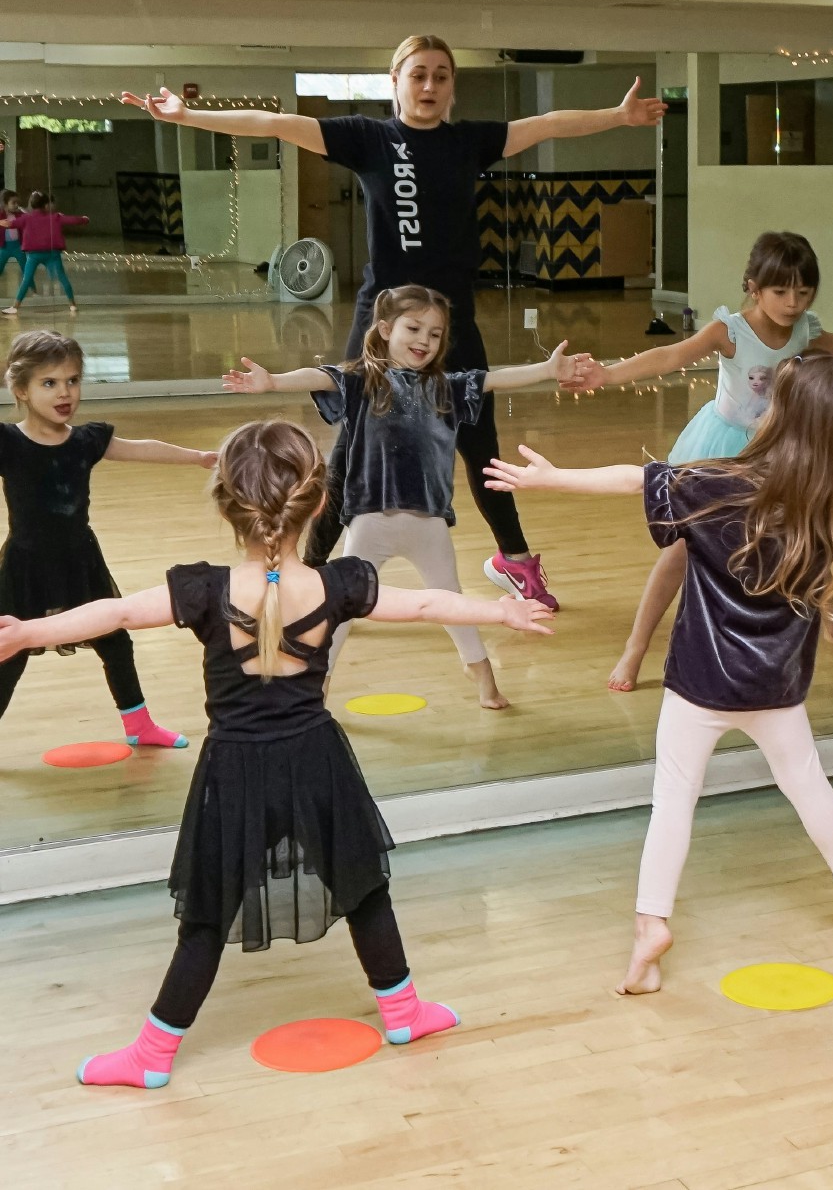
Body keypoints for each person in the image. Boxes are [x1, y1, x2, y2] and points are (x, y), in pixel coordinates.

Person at [0, 419, 553, 1089]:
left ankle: (152, 1055)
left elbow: (113, 613)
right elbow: (426, 601)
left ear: (225, 500)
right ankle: (403, 1011)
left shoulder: (201, 590)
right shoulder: (339, 583)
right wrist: (503, 613)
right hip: (317, 762)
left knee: (206, 917)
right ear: (319, 503)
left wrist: (30, 629)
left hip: (235, 771)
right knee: (365, 890)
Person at [486, 352, 833, 994]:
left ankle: (651, 927)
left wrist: (553, 481)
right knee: (808, 785)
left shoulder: (716, 482)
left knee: (673, 801)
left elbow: (637, 479)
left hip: (699, 683)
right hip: (776, 689)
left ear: (781, 416)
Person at [121, 35, 667, 608]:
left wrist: (617, 116)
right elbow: (275, 122)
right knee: (353, 445)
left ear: (452, 85)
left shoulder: (469, 142)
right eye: (418, 75)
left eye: (441, 76)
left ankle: (515, 559)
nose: (429, 86)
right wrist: (189, 116)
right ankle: (307, 571)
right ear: (396, 82)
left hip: (451, 319)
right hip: (382, 321)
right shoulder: (369, 138)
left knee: (480, 441)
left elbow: (548, 124)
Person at [223, 284, 580, 709]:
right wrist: (273, 382)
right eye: (414, 328)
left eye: (434, 334)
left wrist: (545, 369)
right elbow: (319, 376)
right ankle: (316, 688)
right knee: (339, 611)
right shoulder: (361, 382)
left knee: (452, 604)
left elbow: (495, 378)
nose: (424, 341)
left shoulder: (446, 387)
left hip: (428, 523)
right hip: (369, 522)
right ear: (385, 328)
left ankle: (482, 675)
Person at [567, 231, 833, 689]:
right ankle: (636, 647)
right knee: (679, 552)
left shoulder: (807, 330)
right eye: (781, 291)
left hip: (779, 450)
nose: (792, 302)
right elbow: (670, 356)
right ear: (753, 287)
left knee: (812, 535)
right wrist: (608, 374)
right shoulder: (729, 330)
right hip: (721, 447)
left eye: (803, 292)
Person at [0, 330, 212, 747]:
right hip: (25, 566)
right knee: (8, 654)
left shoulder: (87, 440)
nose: (65, 393)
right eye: (49, 383)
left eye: (73, 381)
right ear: (20, 389)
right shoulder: (7, 442)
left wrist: (199, 457)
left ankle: (139, 727)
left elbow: (142, 448)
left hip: (82, 561)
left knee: (115, 642)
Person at [1, 191, 86, 316]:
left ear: (31, 204)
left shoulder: (26, 218)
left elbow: (10, 224)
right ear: (46, 205)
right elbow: (73, 220)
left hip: (34, 255)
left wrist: (1, 222)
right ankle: (72, 305)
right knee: (62, 277)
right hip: (52, 254)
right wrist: (85, 219)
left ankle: (15, 307)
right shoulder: (55, 217)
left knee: (26, 279)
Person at [0, 191, 23, 292]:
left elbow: (30, 218)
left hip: (18, 246)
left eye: (17, 202)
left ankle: (33, 290)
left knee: (26, 269)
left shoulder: (19, 214)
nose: (16, 205)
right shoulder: (0, 214)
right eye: (13, 203)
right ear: (5, 204)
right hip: (4, 247)